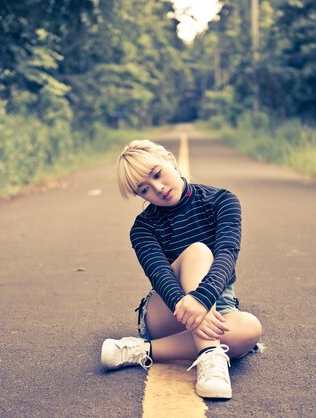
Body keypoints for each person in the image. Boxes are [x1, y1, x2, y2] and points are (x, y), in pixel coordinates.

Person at [101, 139, 262, 400]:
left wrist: (202, 299)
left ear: (171, 161)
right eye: (145, 189)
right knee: (198, 251)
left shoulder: (221, 200)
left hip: (217, 306)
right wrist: (188, 302)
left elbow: (227, 254)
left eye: (157, 174)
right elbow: (160, 276)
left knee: (250, 328)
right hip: (167, 309)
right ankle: (210, 358)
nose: (159, 188)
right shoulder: (142, 228)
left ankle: (143, 350)